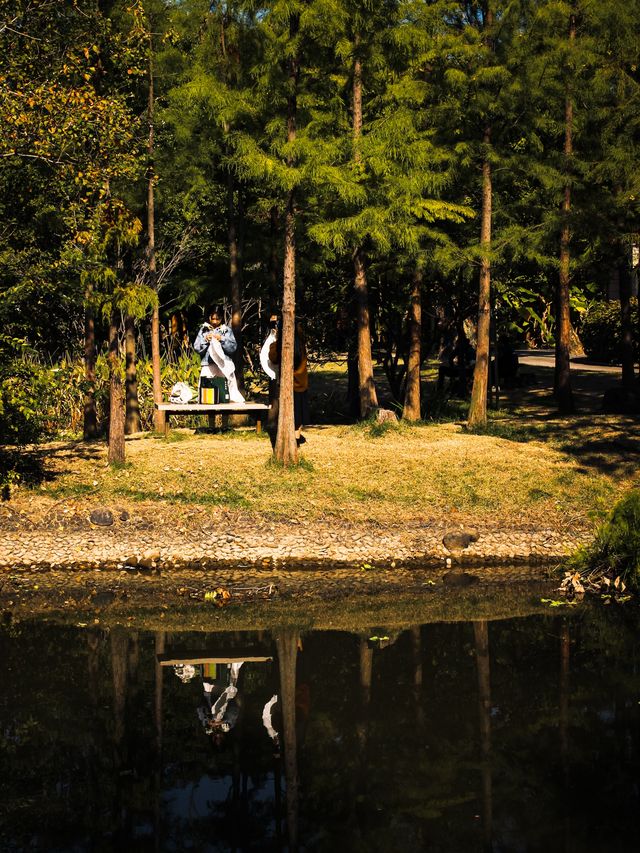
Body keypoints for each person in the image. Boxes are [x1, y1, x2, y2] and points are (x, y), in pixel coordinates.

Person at [265, 317, 309, 447]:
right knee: (299, 412)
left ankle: (293, 440)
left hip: (289, 384)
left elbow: (273, 358)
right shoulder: (300, 340)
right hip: (301, 382)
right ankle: (297, 437)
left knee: (291, 412)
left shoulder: (283, 342)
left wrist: (275, 341)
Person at [193, 307, 245, 404]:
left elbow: (233, 348)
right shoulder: (203, 330)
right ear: (209, 317)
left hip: (224, 364)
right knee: (206, 391)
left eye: (218, 319)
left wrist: (221, 339)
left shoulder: (227, 330)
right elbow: (197, 348)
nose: (215, 321)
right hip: (208, 363)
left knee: (228, 391)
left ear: (222, 318)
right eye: (213, 319)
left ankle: (226, 416)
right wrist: (205, 340)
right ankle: (210, 417)